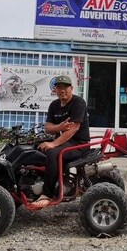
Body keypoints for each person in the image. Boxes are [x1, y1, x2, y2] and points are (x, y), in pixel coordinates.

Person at [35, 75, 90, 208]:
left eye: (65, 87)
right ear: (55, 90)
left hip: (79, 144)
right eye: (59, 87)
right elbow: (48, 128)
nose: (62, 90)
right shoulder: (54, 105)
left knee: (53, 153)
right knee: (34, 147)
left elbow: (74, 129)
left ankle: (47, 194)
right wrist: (59, 127)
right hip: (66, 142)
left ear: (71, 88)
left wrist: (53, 144)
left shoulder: (78, 102)